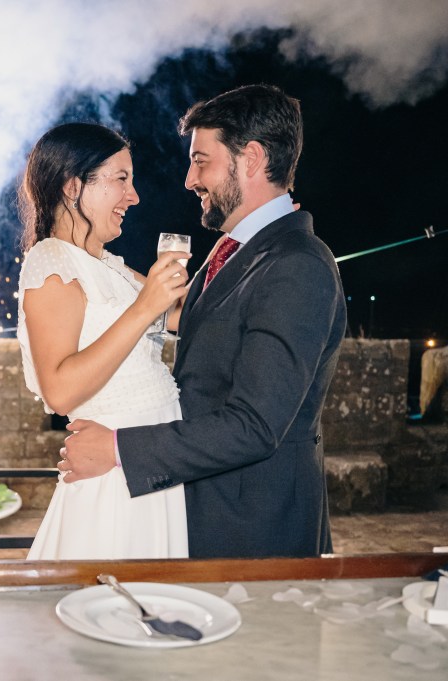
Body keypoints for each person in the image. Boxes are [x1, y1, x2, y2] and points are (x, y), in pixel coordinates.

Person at [58, 84, 348, 559]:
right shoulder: (230, 250)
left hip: (252, 533)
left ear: (251, 159)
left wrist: (118, 449)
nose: (190, 179)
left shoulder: (297, 264)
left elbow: (254, 425)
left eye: (201, 161)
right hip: (202, 512)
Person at [18, 122, 192, 559]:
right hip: (115, 472)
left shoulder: (108, 264)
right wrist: (144, 307)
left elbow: (180, 315)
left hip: (149, 459)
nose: (133, 196)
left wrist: (246, 246)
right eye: (121, 179)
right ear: (73, 186)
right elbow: (59, 390)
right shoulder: (51, 262)